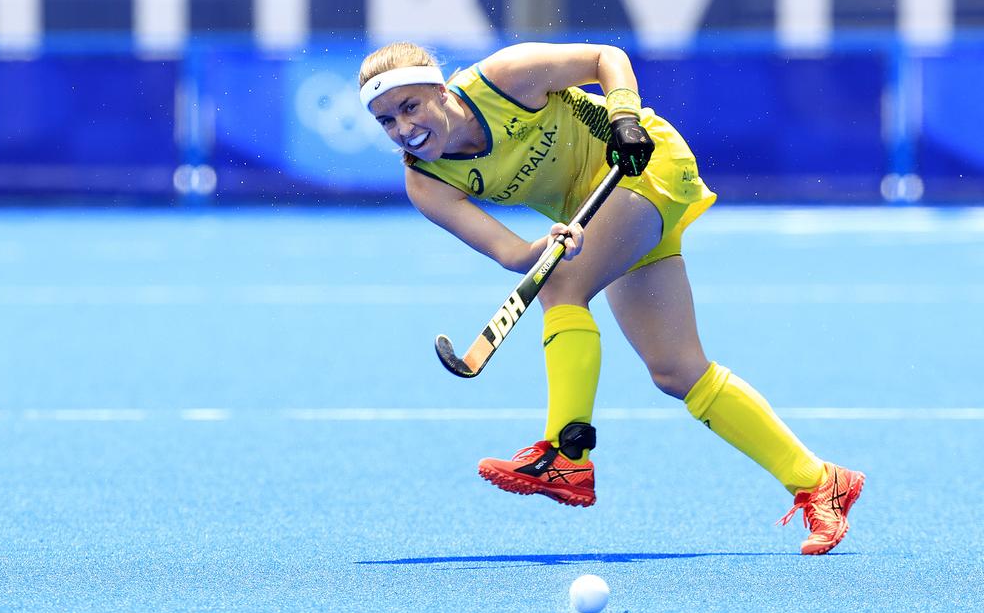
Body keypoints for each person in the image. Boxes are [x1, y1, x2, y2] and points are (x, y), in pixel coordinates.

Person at [357, 41, 865, 555]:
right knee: (676, 370)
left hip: (645, 166)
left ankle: (566, 454)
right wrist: (544, 244)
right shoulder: (427, 184)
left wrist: (624, 118)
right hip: (595, 211)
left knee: (561, 288)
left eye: (410, 106)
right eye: (386, 122)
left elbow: (606, 57)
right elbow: (513, 254)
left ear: (440, 92)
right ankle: (821, 482)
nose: (403, 128)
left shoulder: (505, 79)